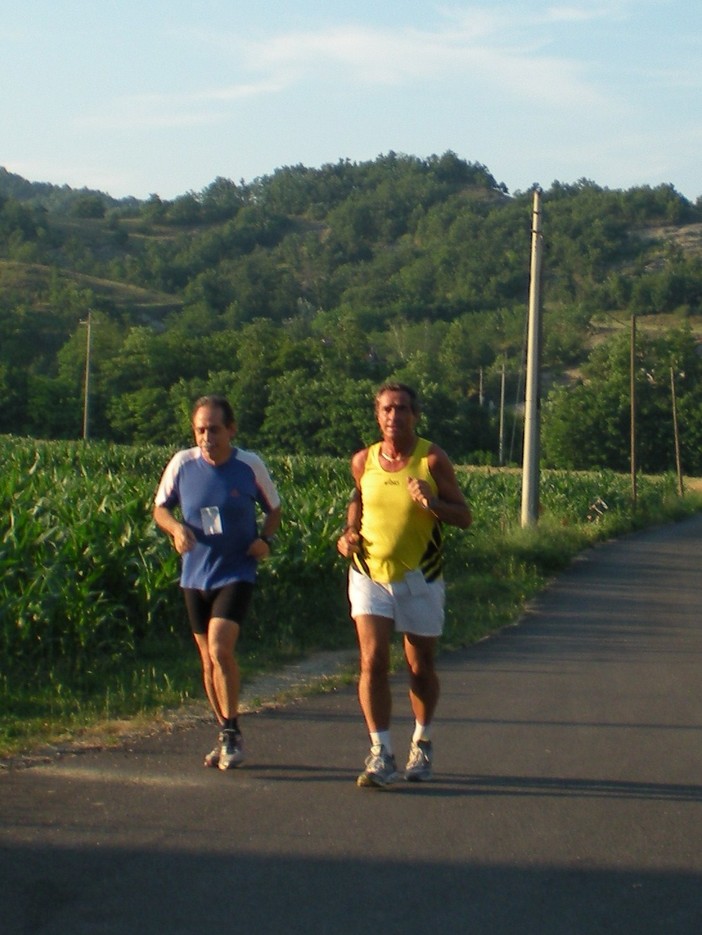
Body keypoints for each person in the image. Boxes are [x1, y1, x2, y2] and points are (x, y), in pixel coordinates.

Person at [337, 382, 472, 788]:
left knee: (420, 666)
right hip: (369, 573)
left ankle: (422, 740)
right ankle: (380, 752)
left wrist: (433, 503)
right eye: (386, 410)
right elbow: (357, 500)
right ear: (377, 416)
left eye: (401, 409)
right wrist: (347, 534)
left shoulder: (432, 460)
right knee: (372, 662)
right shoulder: (363, 461)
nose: (394, 417)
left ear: (415, 415)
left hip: (420, 576)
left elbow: (463, 516)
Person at [153, 394, 281, 770]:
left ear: (231, 430)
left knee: (221, 647)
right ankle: (225, 730)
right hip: (195, 573)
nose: (206, 437)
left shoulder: (248, 464)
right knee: (207, 659)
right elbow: (160, 507)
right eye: (200, 430)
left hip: (237, 569)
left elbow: (274, 508)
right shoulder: (182, 463)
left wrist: (265, 541)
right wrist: (175, 529)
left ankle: (231, 733)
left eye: (214, 429)